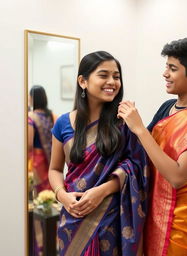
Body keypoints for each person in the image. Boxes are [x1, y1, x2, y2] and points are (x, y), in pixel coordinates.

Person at [118, 38, 187, 256]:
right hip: (157, 203)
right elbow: (143, 148)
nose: (165, 74)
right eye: (166, 67)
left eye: (172, 68)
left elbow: (178, 176)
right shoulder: (167, 107)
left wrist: (140, 128)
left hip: (186, 216)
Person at [48, 51, 148, 256]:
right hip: (72, 219)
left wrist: (101, 191)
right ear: (83, 81)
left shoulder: (124, 121)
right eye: (103, 75)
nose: (112, 81)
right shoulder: (63, 123)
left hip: (111, 220)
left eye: (116, 76)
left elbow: (137, 168)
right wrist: (62, 196)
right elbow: (55, 169)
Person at [28, 85, 57, 195]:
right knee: (49, 186)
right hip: (51, 157)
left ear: (32, 98)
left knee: (37, 190)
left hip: (37, 159)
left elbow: (29, 144)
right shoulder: (53, 116)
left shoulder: (30, 116)